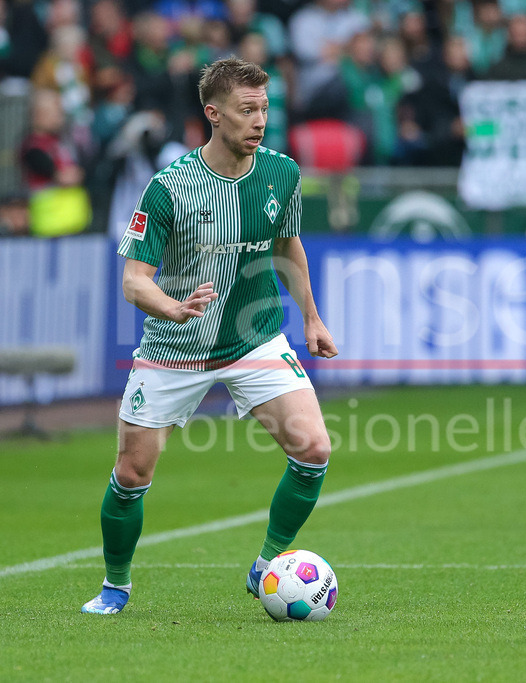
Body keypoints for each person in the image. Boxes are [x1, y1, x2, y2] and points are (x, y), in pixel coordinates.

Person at [82, 58, 338, 615]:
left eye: (264, 108)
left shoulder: (282, 173)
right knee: (131, 474)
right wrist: (172, 308)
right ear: (213, 114)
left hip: (254, 340)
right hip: (176, 348)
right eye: (247, 110)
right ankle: (115, 586)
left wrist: (312, 318)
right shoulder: (169, 188)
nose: (260, 120)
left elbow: (286, 244)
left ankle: (266, 563)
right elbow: (133, 281)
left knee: (314, 449)